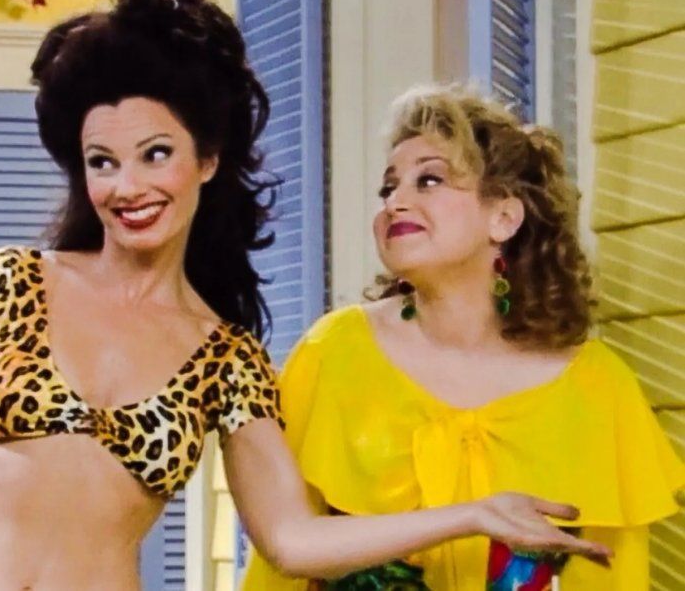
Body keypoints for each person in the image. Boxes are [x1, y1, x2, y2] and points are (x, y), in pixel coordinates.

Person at [0, 0, 611, 591]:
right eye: (101, 162)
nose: (126, 186)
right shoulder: (9, 282)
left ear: (207, 160)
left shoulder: (226, 359)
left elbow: (292, 539)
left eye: (155, 154)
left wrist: (472, 515)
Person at [243, 83, 685, 590]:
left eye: (429, 180)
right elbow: (276, 568)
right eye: (388, 188)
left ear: (504, 217)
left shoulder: (599, 387)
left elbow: (615, 578)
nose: (395, 203)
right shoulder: (332, 353)